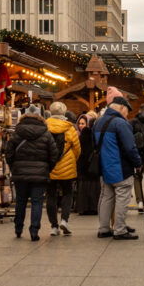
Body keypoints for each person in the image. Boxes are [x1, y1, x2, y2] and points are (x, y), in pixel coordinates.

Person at [5, 103, 58, 241]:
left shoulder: (17, 133)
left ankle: (18, 228)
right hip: (40, 174)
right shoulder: (46, 134)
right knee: (37, 202)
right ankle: (34, 230)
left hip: (20, 173)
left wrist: (14, 167)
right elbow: (54, 155)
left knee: (20, 201)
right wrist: (47, 168)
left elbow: (9, 153)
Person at [93, 96, 142, 240]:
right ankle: (119, 229)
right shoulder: (120, 123)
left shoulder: (98, 122)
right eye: (127, 111)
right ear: (121, 108)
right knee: (122, 197)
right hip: (120, 168)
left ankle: (103, 229)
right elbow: (130, 147)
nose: (127, 115)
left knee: (106, 197)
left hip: (104, 167)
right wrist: (138, 163)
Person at [44, 101, 81, 236]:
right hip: (67, 164)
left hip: (49, 166)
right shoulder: (69, 128)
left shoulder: (44, 127)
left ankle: (54, 226)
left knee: (51, 196)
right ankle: (64, 220)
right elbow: (77, 149)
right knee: (67, 193)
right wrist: (72, 160)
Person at [74, 112, 101, 215]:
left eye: (83, 123)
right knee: (93, 186)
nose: (81, 125)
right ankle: (93, 207)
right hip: (91, 165)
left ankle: (84, 207)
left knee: (85, 186)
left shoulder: (85, 133)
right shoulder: (93, 133)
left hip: (84, 165)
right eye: (79, 123)